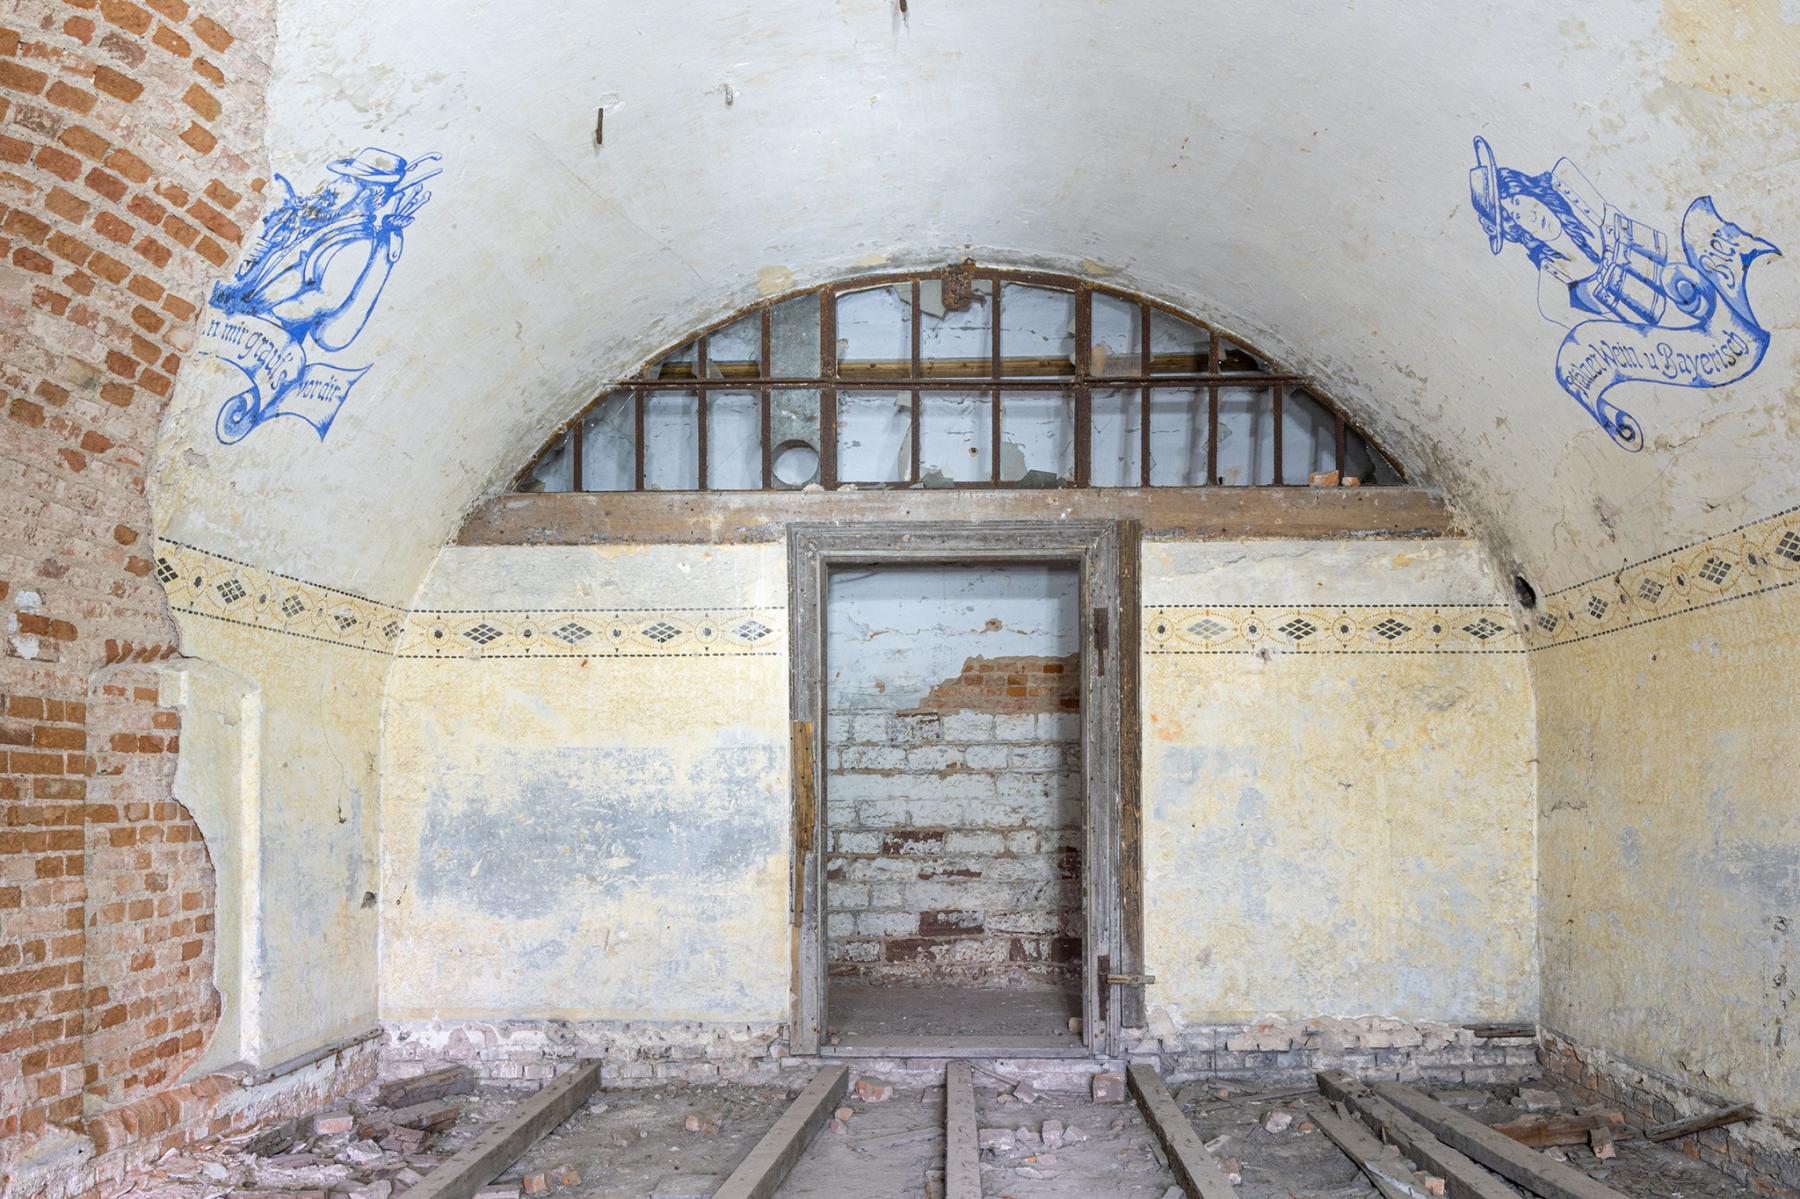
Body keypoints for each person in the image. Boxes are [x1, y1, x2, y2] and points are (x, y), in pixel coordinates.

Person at [1469, 136, 1700, 330]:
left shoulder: (1570, 185)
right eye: (1516, 217)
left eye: (1519, 201)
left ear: (1530, 191)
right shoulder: (1552, 291)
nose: (1529, 216)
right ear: (1518, 230)